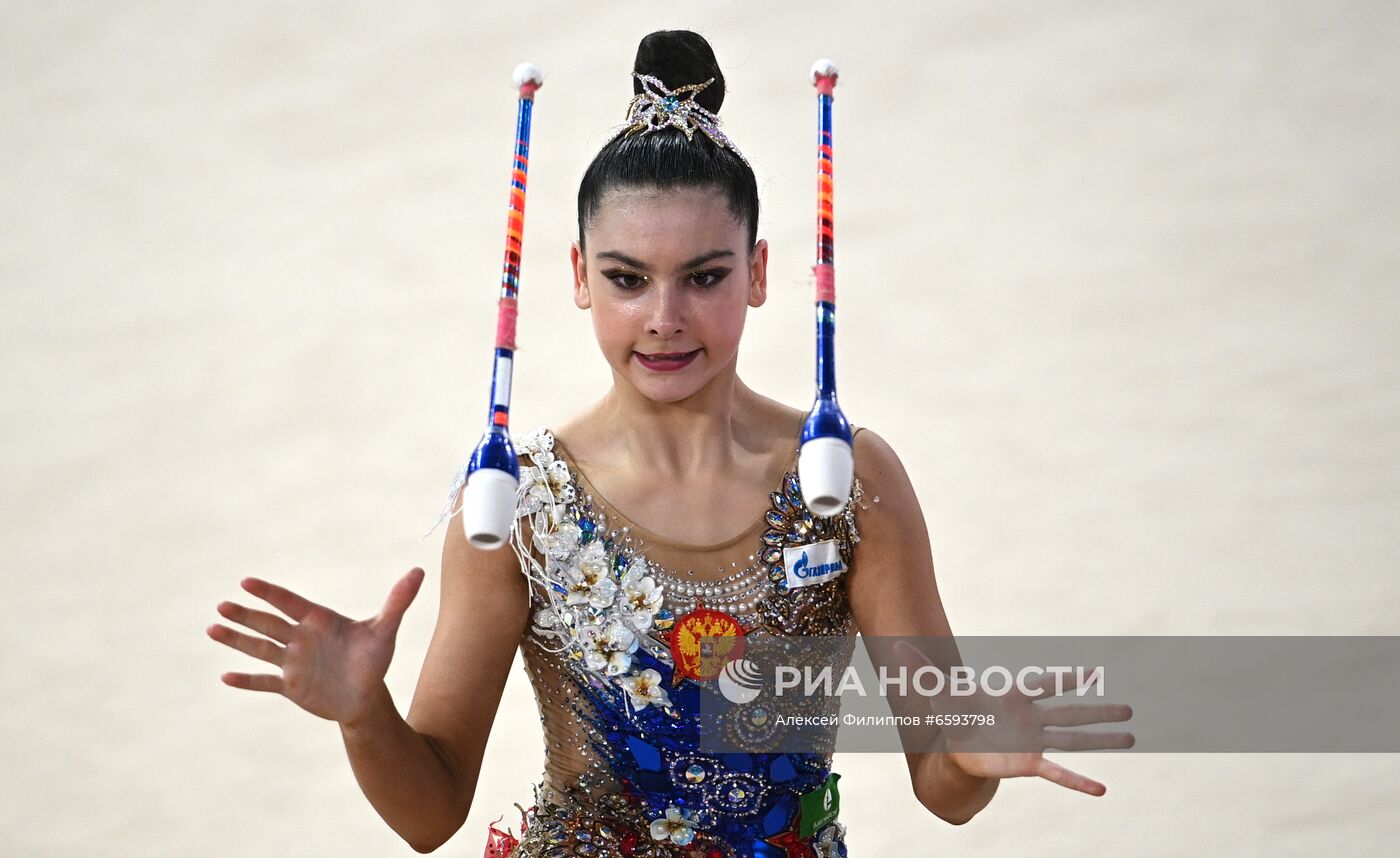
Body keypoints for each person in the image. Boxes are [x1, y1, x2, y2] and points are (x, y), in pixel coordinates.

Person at [207, 29, 1132, 857]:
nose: (664, 318)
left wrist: (970, 752)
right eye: (626, 278)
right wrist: (365, 716)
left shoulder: (854, 482)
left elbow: (943, 786)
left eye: (703, 276)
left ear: (760, 272)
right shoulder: (522, 501)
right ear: (578, 277)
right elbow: (431, 812)